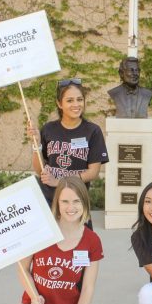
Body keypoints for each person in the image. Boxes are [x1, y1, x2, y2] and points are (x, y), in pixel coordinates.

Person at [16, 176, 117, 304]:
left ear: (84, 203)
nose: (71, 207)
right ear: (57, 203)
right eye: (65, 201)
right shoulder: (42, 230)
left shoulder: (91, 240)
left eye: (76, 201)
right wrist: (34, 296)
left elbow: (88, 288)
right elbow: (22, 268)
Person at [30, 78, 109, 207]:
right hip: (49, 198)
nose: (76, 104)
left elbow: (93, 172)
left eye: (79, 99)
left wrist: (60, 181)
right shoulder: (48, 129)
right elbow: (41, 171)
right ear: (59, 103)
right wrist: (36, 144)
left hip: (76, 200)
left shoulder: (92, 131)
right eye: (69, 100)